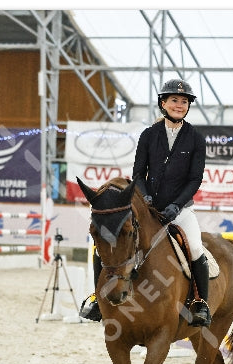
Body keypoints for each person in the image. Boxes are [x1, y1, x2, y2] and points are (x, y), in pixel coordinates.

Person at [80, 78, 211, 327]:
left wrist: (177, 205)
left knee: (194, 247)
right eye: (174, 100)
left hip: (180, 210)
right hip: (148, 208)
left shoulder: (195, 138)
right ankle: (98, 298)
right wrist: (146, 196)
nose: (179, 105)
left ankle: (200, 303)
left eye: (184, 102)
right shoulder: (149, 135)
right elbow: (139, 173)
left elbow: (195, 179)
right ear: (163, 103)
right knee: (109, 244)